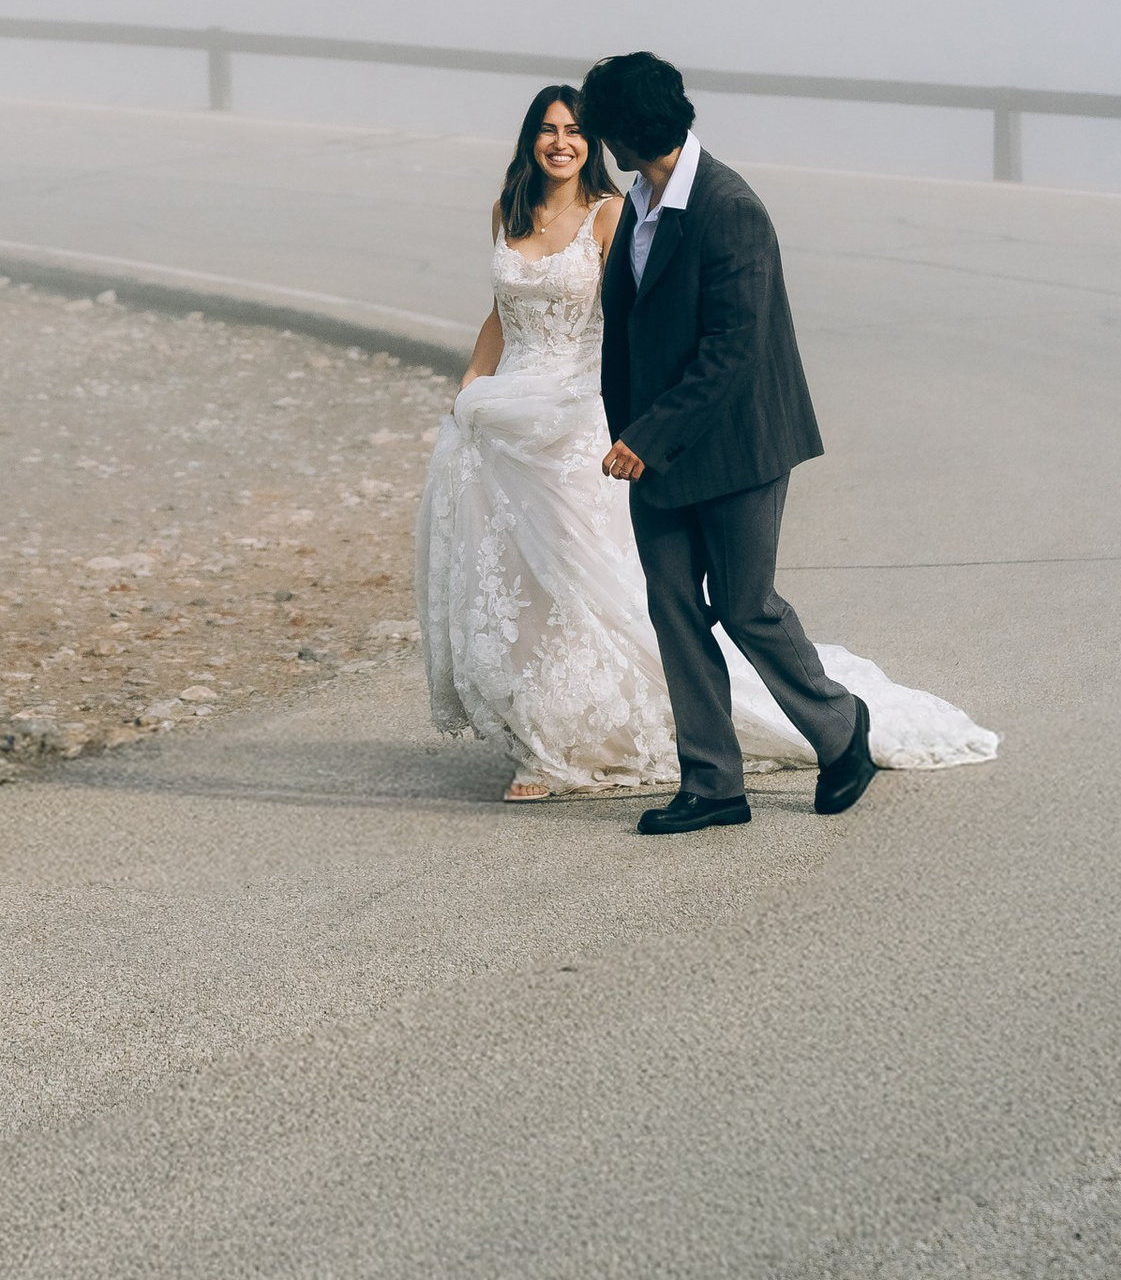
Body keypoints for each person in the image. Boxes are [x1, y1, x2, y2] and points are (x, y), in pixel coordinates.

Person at [416, 67, 994, 821]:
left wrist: (644, 436)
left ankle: (840, 725)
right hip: (653, 446)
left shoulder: (729, 208)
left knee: (747, 605)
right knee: (674, 608)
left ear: (623, 136)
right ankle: (713, 782)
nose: (584, 142)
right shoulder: (644, 202)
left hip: (738, 445)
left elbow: (734, 350)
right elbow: (622, 329)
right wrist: (620, 427)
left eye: (594, 128)